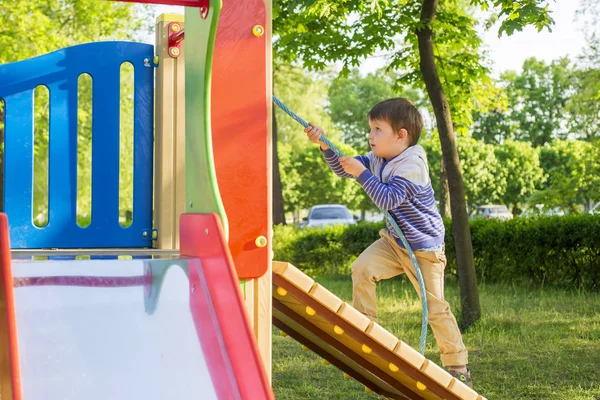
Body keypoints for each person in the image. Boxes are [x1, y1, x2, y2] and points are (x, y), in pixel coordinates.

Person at [304, 98, 472, 388]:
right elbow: (346, 168)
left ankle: (458, 366)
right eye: (370, 128)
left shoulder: (413, 164)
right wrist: (324, 145)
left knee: (435, 308)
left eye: (377, 129)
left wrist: (362, 173)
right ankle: (365, 332)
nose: (370, 135)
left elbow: (387, 198)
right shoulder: (379, 156)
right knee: (362, 269)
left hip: (424, 249)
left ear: (401, 135)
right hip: (395, 243)